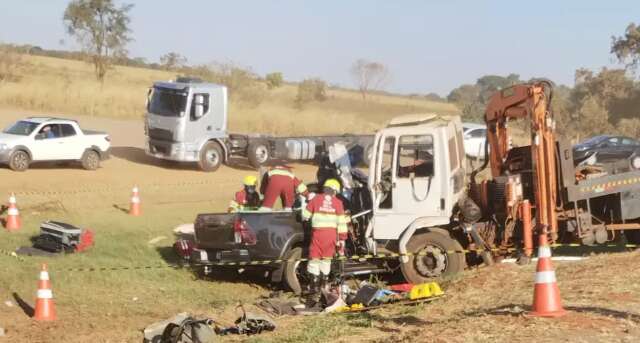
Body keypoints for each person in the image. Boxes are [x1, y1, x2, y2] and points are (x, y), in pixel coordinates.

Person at [301, 178, 349, 306]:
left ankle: (313, 294)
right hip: (332, 236)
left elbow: (305, 215)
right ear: (335, 191)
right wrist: (342, 239)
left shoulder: (316, 199)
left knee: (314, 262)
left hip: (318, 235)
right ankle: (324, 291)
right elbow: (342, 223)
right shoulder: (338, 203)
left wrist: (306, 203)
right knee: (326, 261)